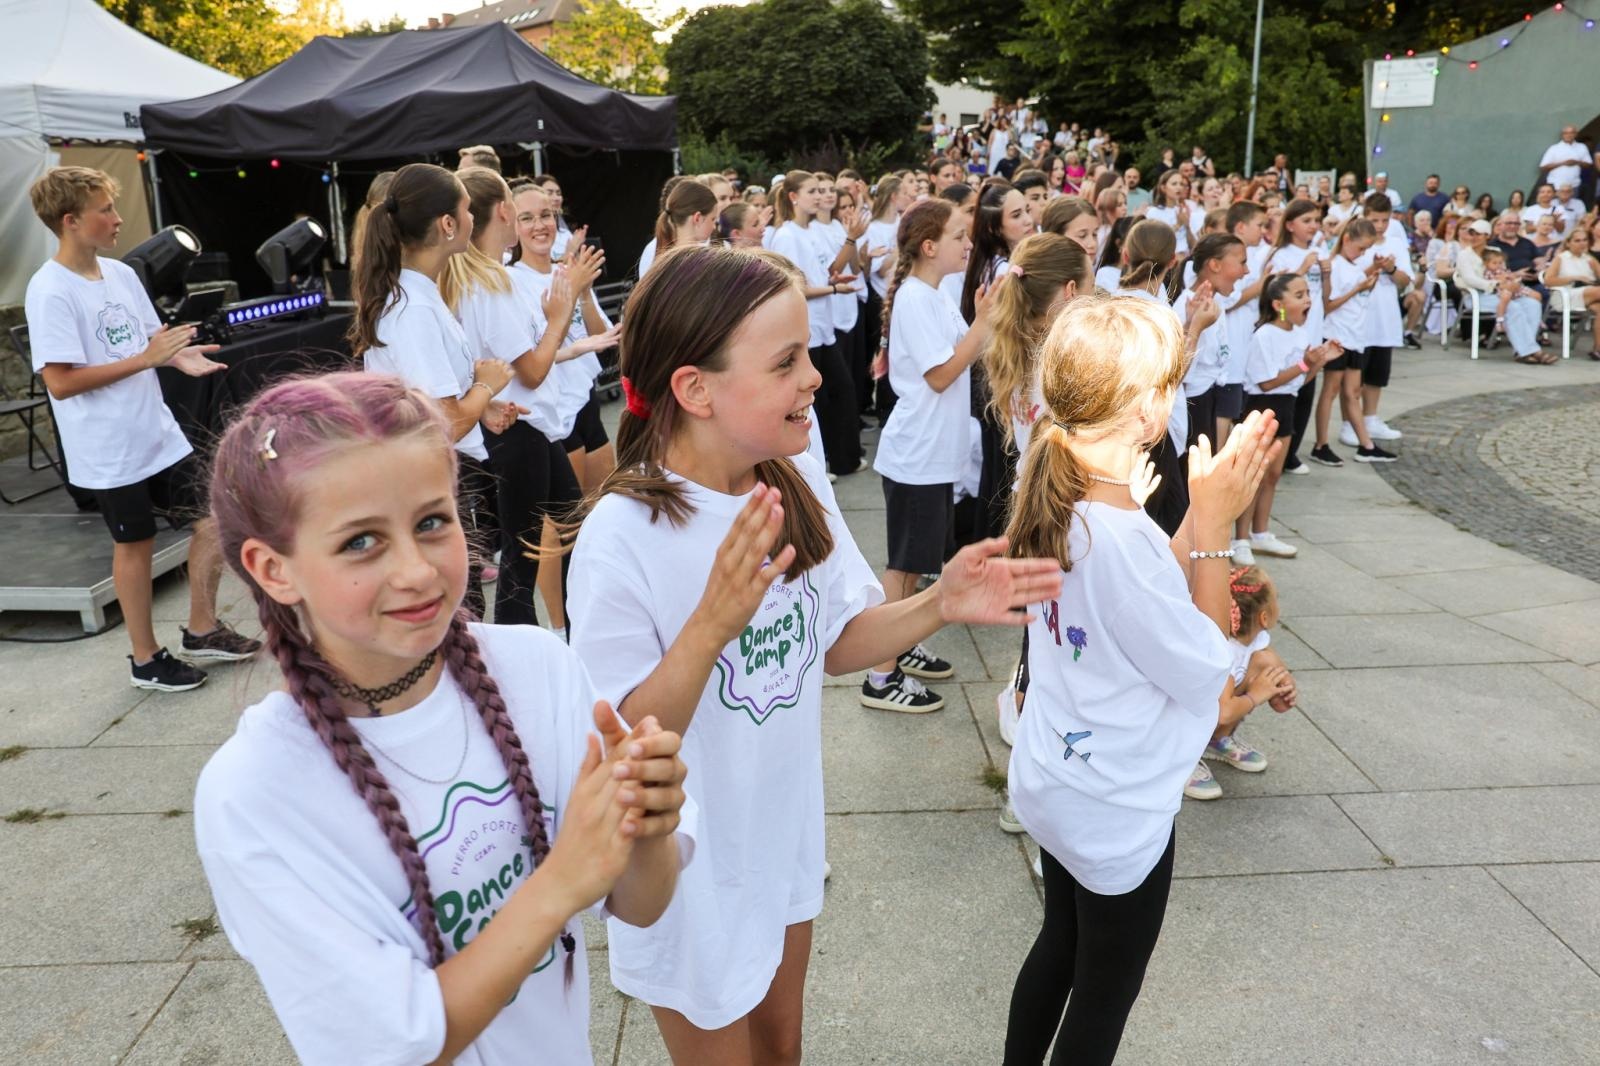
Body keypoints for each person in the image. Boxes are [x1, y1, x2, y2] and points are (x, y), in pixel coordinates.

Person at [565, 244, 1058, 1063]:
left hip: (781, 835)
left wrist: (940, 603)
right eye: (786, 362)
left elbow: (834, 644)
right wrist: (710, 627)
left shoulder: (790, 475)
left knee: (782, 1045)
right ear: (695, 389)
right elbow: (619, 739)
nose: (816, 378)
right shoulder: (626, 535)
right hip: (690, 874)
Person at [195, 372, 694, 1065]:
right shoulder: (256, 794)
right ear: (273, 569)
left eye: (432, 522)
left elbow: (642, 905)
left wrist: (649, 829)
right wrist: (559, 882)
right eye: (361, 542)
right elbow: (396, 1048)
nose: (417, 572)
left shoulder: (538, 669)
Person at [1002, 295, 1279, 1066]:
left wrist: (1196, 515)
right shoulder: (1117, 536)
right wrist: (1216, 528)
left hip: (1059, 775)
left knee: (1059, 942)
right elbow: (1203, 665)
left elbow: (1151, 593)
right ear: (1148, 410)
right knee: (1103, 990)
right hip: (1112, 804)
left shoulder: (1064, 493)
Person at [24, 165, 261, 691]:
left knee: (214, 518)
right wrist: (147, 359)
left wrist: (178, 357)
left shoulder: (122, 274)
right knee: (137, 545)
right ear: (70, 221)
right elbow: (60, 383)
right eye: (104, 209)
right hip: (107, 446)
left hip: (155, 431)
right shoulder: (49, 291)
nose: (117, 217)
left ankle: (202, 629)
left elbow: (149, 340)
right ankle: (145, 659)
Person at [350, 163, 514, 618]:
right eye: (466, 210)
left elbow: (433, 400)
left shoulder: (418, 295)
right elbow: (443, 424)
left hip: (439, 473)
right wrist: (484, 386)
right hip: (430, 476)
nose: (470, 219)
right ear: (447, 225)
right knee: (461, 612)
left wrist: (482, 404)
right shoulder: (413, 308)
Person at [867, 199, 1000, 711]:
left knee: (919, 562)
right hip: (916, 455)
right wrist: (982, 323)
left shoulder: (936, 292)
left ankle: (900, 643)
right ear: (929, 246)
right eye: (958, 236)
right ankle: (880, 676)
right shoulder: (917, 300)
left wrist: (983, 322)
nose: (969, 244)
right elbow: (941, 374)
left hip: (933, 455)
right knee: (903, 566)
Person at [445, 170, 593, 631]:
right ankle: (522, 670)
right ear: (505, 213)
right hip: (516, 431)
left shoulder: (478, 280)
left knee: (573, 532)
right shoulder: (490, 284)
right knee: (521, 564)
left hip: (527, 430)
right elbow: (531, 369)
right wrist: (559, 316)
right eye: (522, 212)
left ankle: (576, 634)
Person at [982, 233, 1096, 767]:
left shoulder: (1013, 344)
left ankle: (1024, 698)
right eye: (1092, 284)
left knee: (1044, 621)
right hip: (1059, 502)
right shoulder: (1065, 360)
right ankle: (1031, 718)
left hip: (1030, 499)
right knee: (1052, 625)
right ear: (1071, 291)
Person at [512, 184, 620, 499]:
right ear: (512, 226)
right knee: (569, 525)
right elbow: (528, 359)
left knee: (603, 505)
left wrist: (584, 292)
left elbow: (602, 336)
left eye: (546, 215)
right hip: (552, 412)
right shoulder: (512, 281)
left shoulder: (568, 271)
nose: (539, 225)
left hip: (585, 399)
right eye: (527, 218)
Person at [1233, 274, 1338, 562]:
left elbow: (1299, 382)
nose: (1307, 299)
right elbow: (1267, 382)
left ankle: (1261, 533)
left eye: (1307, 293)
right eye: (1299, 295)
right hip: (1263, 406)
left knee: (1273, 475)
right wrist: (1306, 362)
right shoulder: (1265, 334)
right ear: (1279, 304)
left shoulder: (1300, 334)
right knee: (1254, 476)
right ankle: (1240, 539)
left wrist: (1319, 363)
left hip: (1287, 404)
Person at [770, 169, 866, 477]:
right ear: (794, 197)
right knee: (819, 400)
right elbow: (792, 287)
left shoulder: (809, 231)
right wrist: (835, 289)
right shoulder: (786, 235)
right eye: (811, 191)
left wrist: (834, 279)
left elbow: (817, 274)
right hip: (805, 333)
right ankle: (817, 467)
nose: (820, 197)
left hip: (822, 329)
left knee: (840, 393)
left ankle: (840, 460)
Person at [1188, 564, 1298, 799]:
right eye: (1276, 599)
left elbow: (1274, 671)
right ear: (1264, 617)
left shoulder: (1255, 642)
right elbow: (1224, 712)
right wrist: (1255, 695)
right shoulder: (1224, 651)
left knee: (1266, 661)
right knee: (1232, 699)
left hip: (1209, 711)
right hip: (1181, 719)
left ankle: (1216, 740)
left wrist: (1284, 689)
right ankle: (1182, 760)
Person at [1312, 219, 1395, 464]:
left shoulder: (1352, 264)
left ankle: (1366, 444)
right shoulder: (1335, 265)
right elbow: (1328, 305)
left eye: (1366, 250)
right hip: (1338, 335)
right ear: (1347, 239)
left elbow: (1356, 281)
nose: (1363, 253)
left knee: (1353, 392)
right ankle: (1321, 443)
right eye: (1361, 248)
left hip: (1355, 335)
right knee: (1331, 391)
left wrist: (1370, 272)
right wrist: (1358, 289)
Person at [1339, 194, 1411, 449]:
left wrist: (1390, 269)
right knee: (1353, 378)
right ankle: (1349, 422)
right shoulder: (1355, 243)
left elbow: (1405, 281)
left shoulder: (1396, 243)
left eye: (1384, 220)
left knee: (1377, 376)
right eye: (1374, 220)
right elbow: (1345, 278)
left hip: (1385, 318)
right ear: (1364, 216)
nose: (1379, 226)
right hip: (1357, 321)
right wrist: (1371, 268)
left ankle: (1370, 418)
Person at [1264, 199, 1326, 478]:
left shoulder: (1319, 249)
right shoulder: (1282, 254)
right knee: (1287, 389)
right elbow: (1277, 291)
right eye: (1306, 221)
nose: (1313, 226)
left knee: (1306, 390)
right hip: (1286, 332)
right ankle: (1280, 453)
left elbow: (1323, 295)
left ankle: (1293, 451)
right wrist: (1302, 268)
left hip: (1312, 329)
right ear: (1290, 225)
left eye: (1315, 220)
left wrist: (1326, 272)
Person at [1174, 234, 1247, 457]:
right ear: (1214, 265)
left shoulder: (1214, 300)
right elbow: (1180, 375)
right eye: (1242, 262)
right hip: (1191, 407)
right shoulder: (1187, 305)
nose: (1246, 271)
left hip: (1207, 398)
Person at [1456, 218, 1549, 364]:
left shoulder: (1495, 251)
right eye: (1471, 233)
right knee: (1513, 307)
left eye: (1478, 234)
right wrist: (1496, 284)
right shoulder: (1464, 254)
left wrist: (1510, 282)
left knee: (1532, 304)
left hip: (1502, 293)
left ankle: (1522, 350)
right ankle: (1531, 351)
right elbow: (1470, 279)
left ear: (1487, 236)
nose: (1473, 237)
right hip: (1476, 295)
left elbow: (1504, 271)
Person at [1541, 228, 1600, 360]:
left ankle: (1597, 349)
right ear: (1568, 243)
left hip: (1588, 293)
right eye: (1577, 240)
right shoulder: (1561, 258)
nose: (1582, 243)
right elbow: (1548, 281)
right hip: (1565, 295)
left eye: (1584, 240)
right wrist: (1574, 278)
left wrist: (1595, 267)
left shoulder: (1589, 258)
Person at [1538, 124, 1595, 195]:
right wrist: (1563, 163)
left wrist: (1576, 162)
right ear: (1562, 135)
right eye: (1566, 133)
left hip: (1574, 185)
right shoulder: (1554, 148)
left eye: (1571, 133)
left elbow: (1589, 164)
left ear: (1576, 134)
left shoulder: (1582, 147)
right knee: (1555, 205)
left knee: (1572, 205)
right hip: (1556, 185)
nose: (1569, 135)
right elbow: (1543, 167)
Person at [1146, 170, 1193, 254]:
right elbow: (1155, 241)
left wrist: (1187, 226)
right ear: (1163, 188)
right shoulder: (1153, 212)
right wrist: (1178, 225)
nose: (1178, 187)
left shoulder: (1184, 210)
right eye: (1174, 184)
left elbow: (1192, 245)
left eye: (1181, 184)